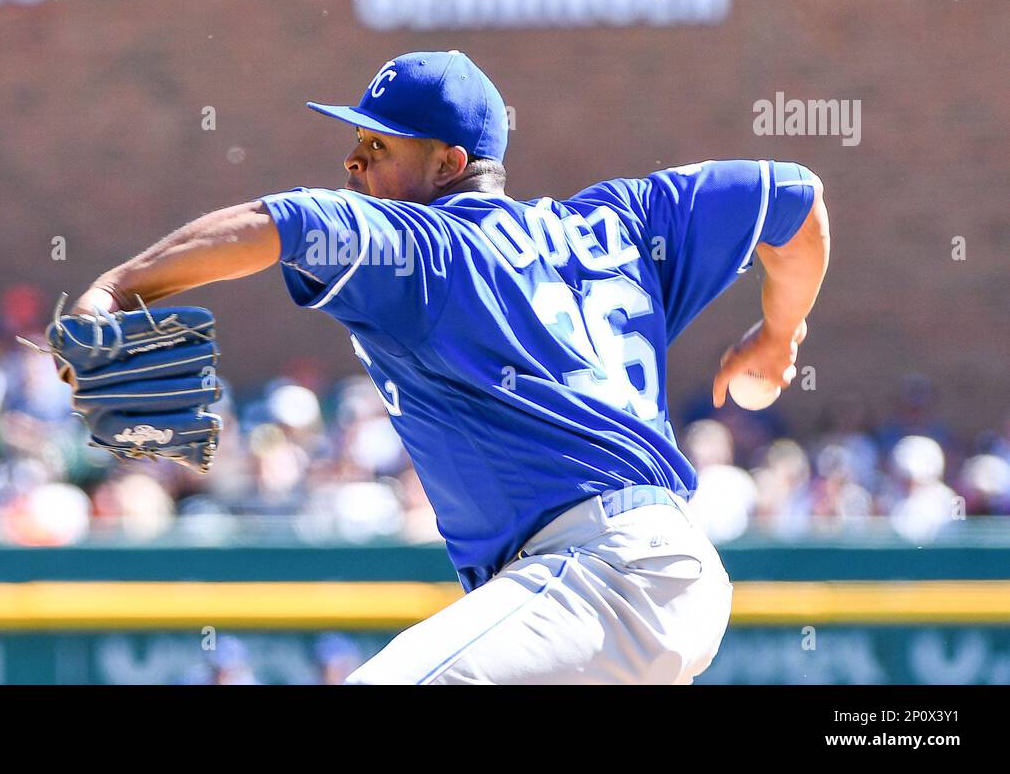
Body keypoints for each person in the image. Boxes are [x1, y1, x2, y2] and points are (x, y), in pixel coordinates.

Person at [66, 50, 831, 684]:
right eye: (356, 145)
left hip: (602, 574)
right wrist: (777, 332)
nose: (354, 163)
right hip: (631, 584)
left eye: (379, 149)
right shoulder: (621, 223)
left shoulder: (426, 248)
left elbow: (280, 223)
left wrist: (114, 290)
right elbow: (796, 200)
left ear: (451, 163)